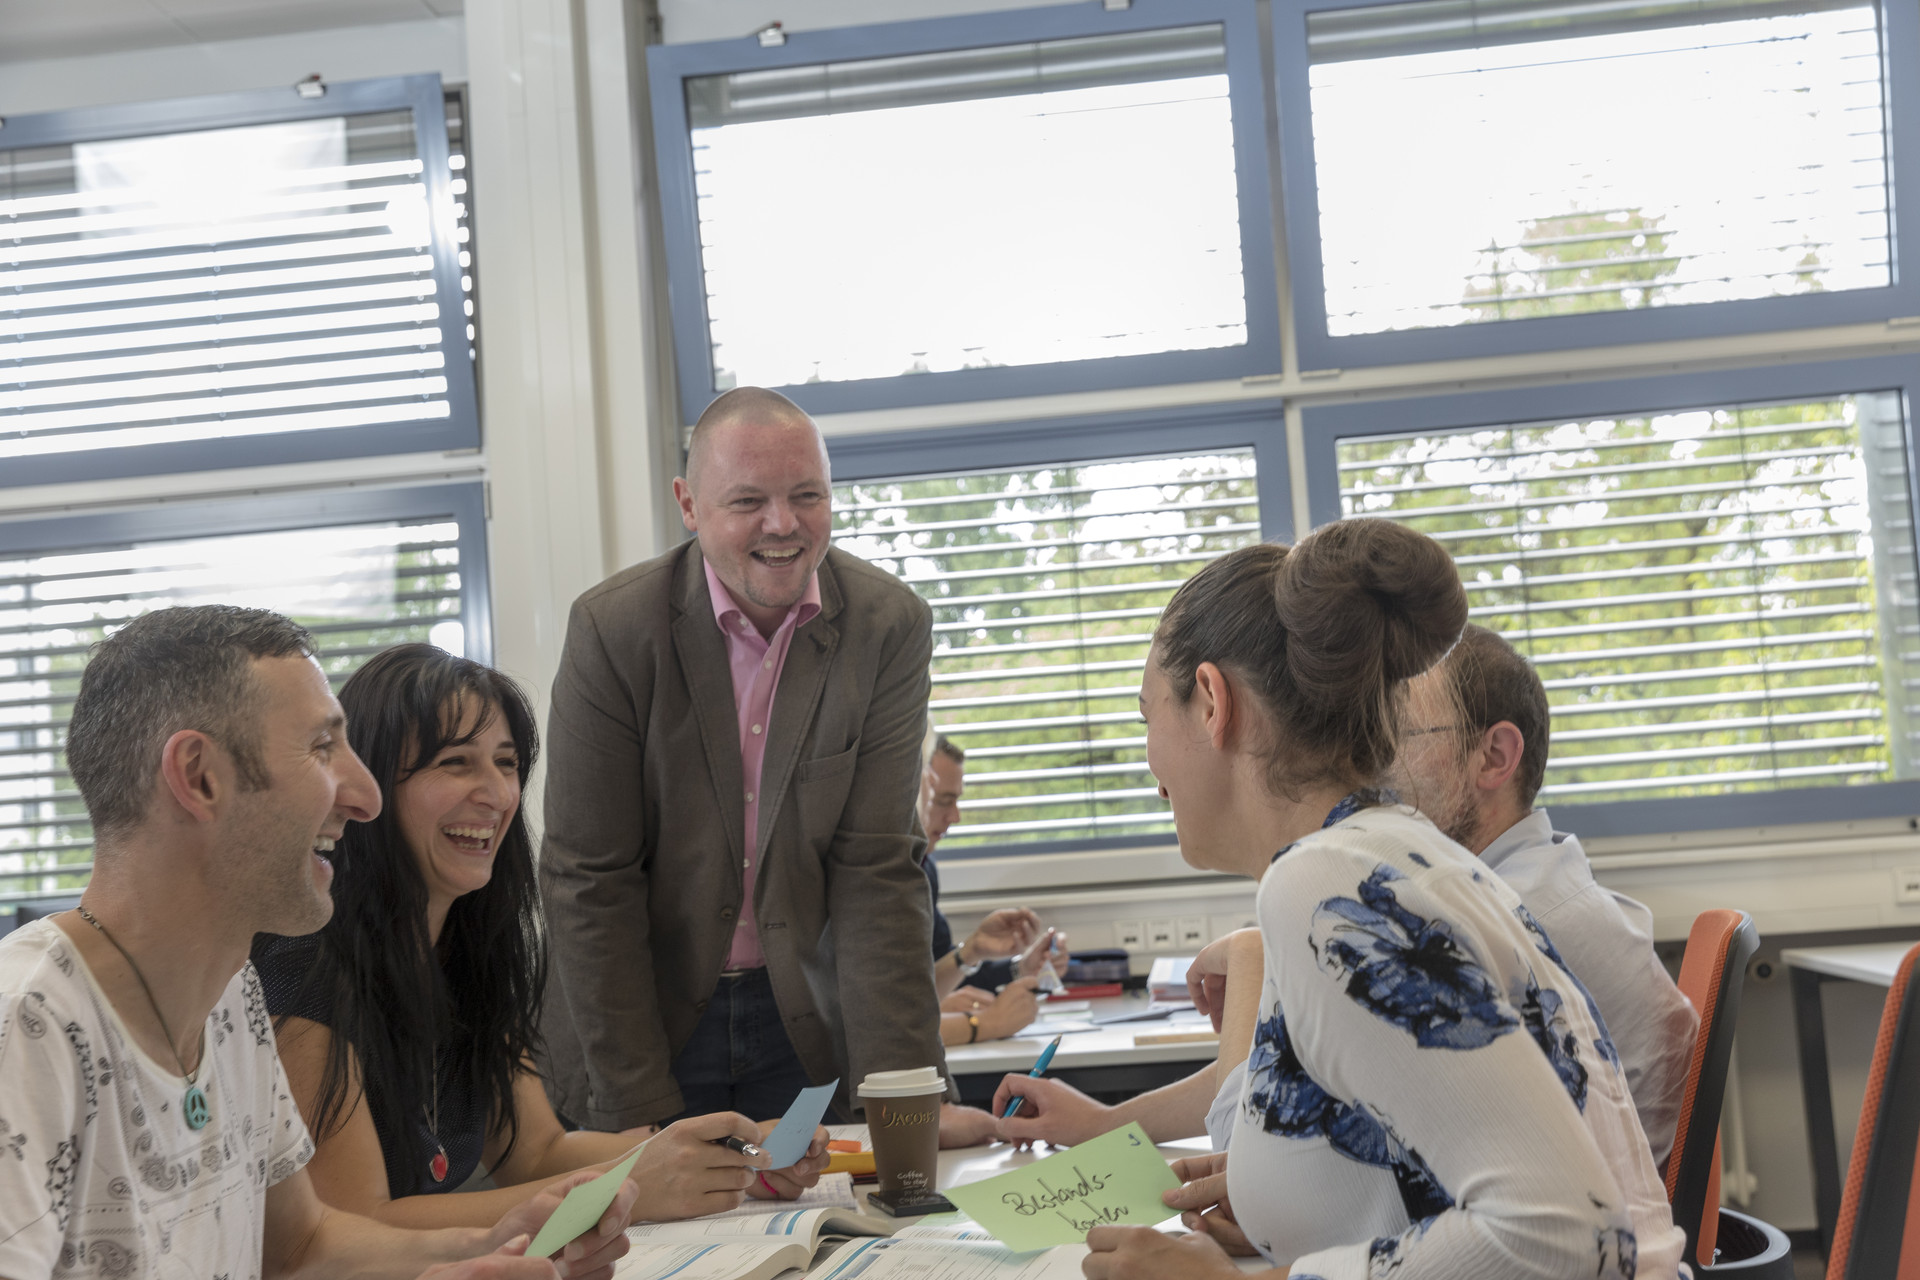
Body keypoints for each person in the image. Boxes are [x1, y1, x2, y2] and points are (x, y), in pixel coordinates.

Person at [1080, 521, 1684, 1280]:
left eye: (1146, 716)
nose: (1149, 765)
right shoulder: (1377, 851)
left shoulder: (1329, 886)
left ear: (1211, 701)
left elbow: (1559, 1237)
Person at [0, 606, 634, 1280]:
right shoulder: (27, 1026)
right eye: (323, 749)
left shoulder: (232, 994)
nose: (365, 796)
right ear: (199, 775)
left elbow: (304, 1247)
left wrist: (490, 1244)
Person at [999, 627, 1697, 1169]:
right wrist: (1101, 1123)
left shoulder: (1512, 920)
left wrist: (1254, 958)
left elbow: (1260, 1156)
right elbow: (1291, 1093)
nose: (1372, 765)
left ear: (1494, 757)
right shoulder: (1514, 883)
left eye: (1398, 737)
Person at [251, 644, 825, 1228]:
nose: (497, 794)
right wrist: (623, 1182)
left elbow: (536, 1153)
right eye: (455, 763)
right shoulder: (304, 966)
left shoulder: (471, 955)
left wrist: (721, 1156)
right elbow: (356, 1224)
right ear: (368, 784)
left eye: (505, 763)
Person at [538, 387, 946, 1129]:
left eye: (807, 495)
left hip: (804, 1022)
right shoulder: (613, 629)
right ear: (688, 505)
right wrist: (636, 1109)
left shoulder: (889, 625)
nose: (783, 524)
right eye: (748, 500)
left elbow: (878, 871)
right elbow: (588, 880)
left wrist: (905, 1098)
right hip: (643, 1019)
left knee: (832, 1237)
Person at [918, 734, 1067, 1048]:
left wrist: (1013, 967)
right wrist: (983, 1024)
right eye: (941, 800)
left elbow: (934, 983)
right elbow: (897, 1013)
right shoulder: (877, 885)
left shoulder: (923, 868)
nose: (955, 817)